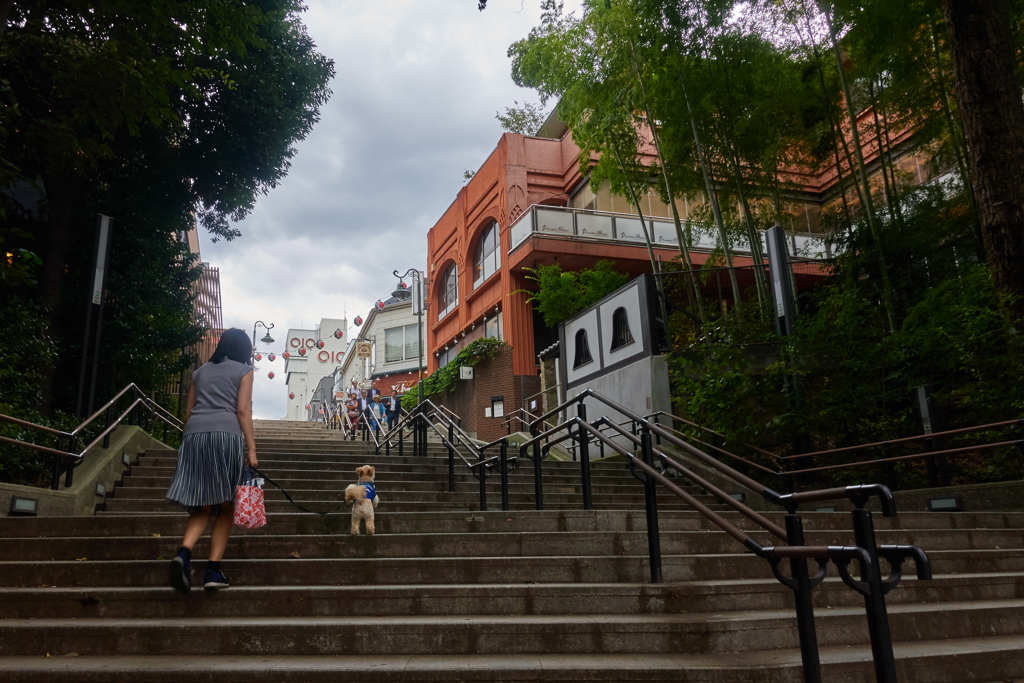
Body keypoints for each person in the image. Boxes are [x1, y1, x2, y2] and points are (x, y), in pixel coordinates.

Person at [165, 328, 257, 592]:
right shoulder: (244, 370)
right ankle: (213, 571)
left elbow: (188, 412)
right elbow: (242, 410)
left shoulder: (200, 372)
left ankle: (183, 553)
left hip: (194, 435)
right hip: (225, 434)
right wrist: (251, 450)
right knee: (226, 505)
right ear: (244, 350)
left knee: (201, 506)